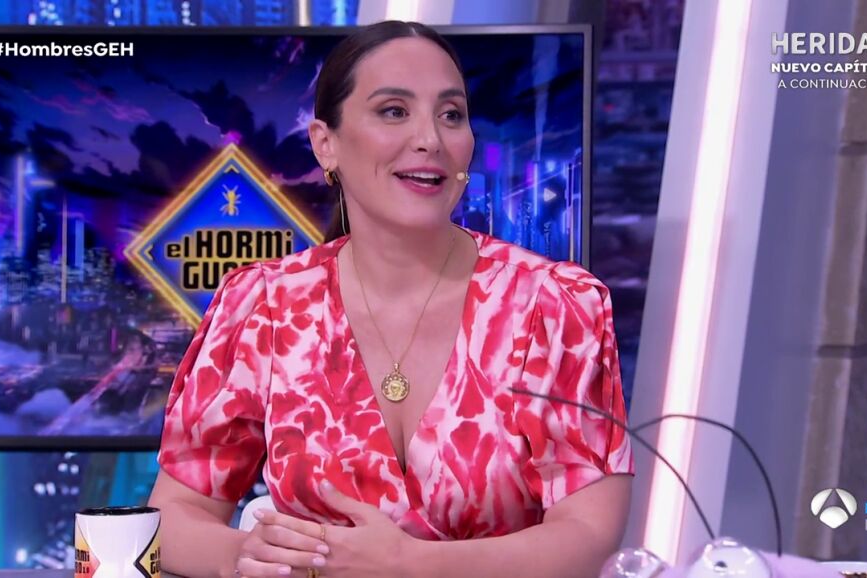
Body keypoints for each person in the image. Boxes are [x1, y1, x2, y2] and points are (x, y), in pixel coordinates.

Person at [147, 20, 634, 578]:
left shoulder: (554, 303)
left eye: (451, 114)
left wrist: (413, 564)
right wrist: (245, 555)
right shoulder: (263, 305)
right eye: (394, 111)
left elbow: (589, 535)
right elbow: (173, 515)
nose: (431, 138)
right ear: (325, 143)